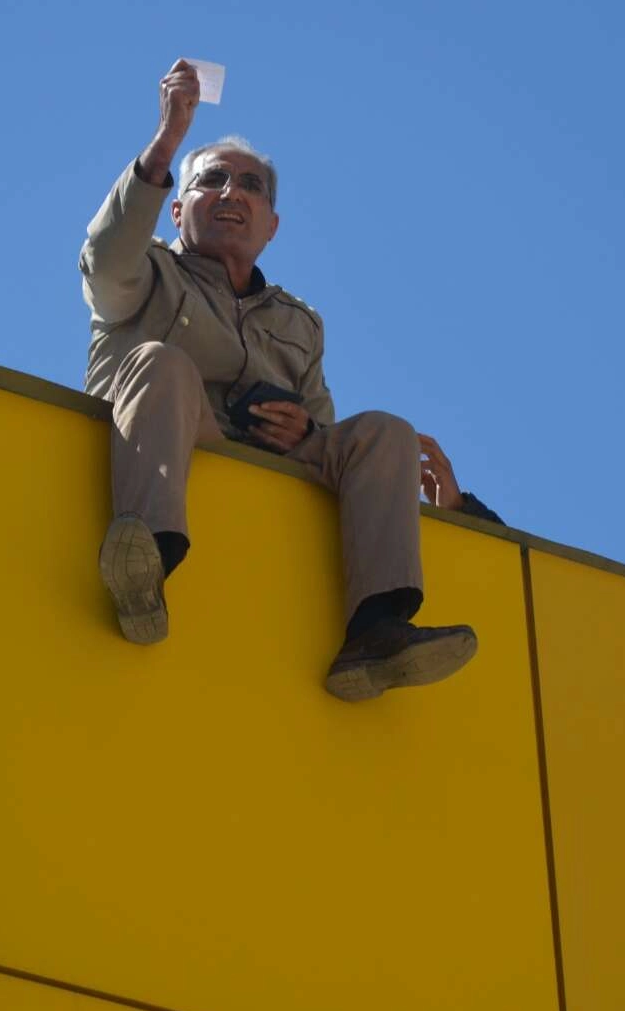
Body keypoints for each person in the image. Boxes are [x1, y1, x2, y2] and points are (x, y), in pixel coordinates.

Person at [80, 59, 477, 702]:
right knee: (162, 361)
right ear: (177, 209)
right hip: (169, 439)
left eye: (251, 186)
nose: (232, 193)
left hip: (264, 463)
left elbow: (328, 435)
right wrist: (168, 141)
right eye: (212, 180)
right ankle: (143, 564)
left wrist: (306, 432)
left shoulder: (300, 323)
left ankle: (374, 635)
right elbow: (104, 258)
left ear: (272, 225)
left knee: (385, 433)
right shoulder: (143, 272)